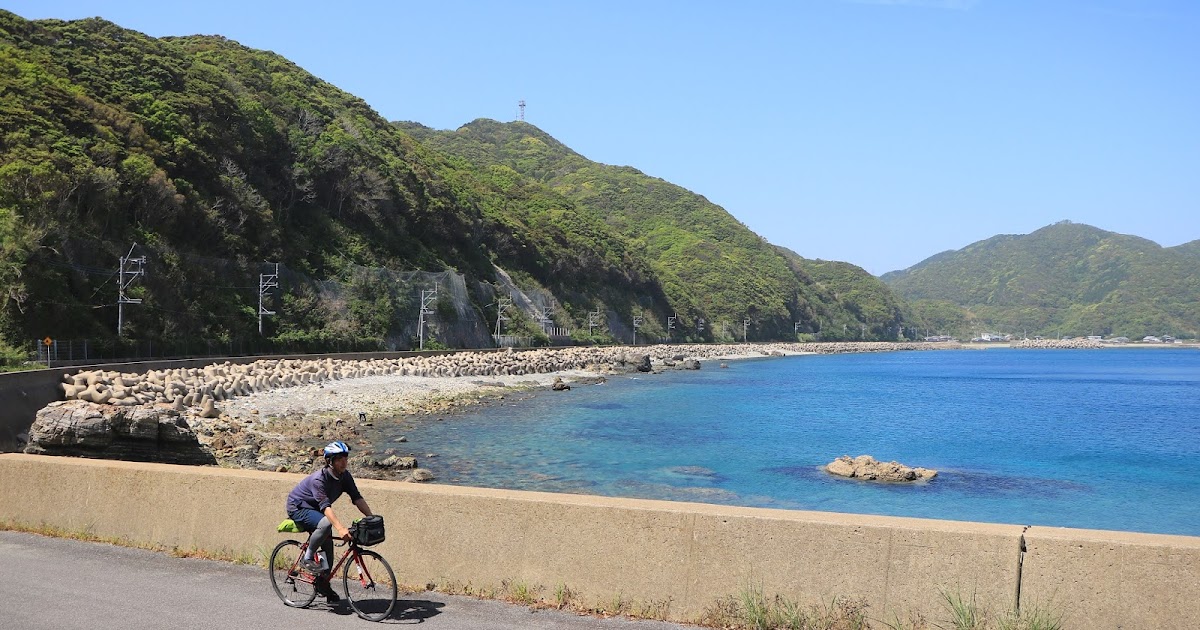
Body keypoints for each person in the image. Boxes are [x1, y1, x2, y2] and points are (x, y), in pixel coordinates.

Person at [285, 440, 374, 604]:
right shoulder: (319, 480)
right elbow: (325, 507)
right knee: (326, 524)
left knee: (328, 553)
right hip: (298, 507)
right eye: (339, 459)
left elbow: (357, 498)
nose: (344, 462)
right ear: (330, 461)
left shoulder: (344, 476)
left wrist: (371, 517)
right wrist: (340, 528)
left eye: (345, 458)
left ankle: (323, 584)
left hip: (317, 510)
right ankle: (308, 557)